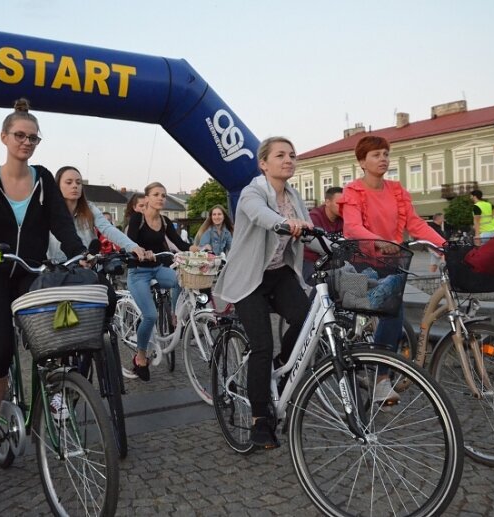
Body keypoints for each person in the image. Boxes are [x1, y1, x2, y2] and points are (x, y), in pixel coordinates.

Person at [0, 98, 86, 457]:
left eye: (33, 138)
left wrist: (79, 253)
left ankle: (55, 395)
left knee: (53, 340)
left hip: (32, 271)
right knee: (0, 347)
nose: (26, 143)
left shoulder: (43, 178)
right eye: (20, 136)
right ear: (4, 137)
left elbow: (61, 223)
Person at [214, 136, 323, 449]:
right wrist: (286, 224)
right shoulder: (252, 192)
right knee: (261, 343)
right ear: (264, 163)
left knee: (306, 323)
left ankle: (280, 365)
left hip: (278, 275)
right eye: (280, 155)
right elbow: (263, 217)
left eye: (292, 155)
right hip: (249, 279)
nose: (288, 159)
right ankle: (260, 419)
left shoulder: (293, 194)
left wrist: (336, 245)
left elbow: (308, 234)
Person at [339, 135, 446, 403]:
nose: (383, 159)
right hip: (360, 263)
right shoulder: (353, 190)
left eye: (386, 154)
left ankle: (380, 378)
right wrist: (380, 241)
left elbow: (416, 224)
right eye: (376, 155)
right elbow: (352, 227)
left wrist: (446, 245)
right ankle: (359, 372)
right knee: (365, 317)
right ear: (362, 161)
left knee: (393, 317)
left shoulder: (396, 190)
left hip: (390, 261)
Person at [48, 165, 148, 314]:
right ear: (58, 186)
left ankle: (102, 331)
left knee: (109, 298)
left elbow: (107, 229)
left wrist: (132, 246)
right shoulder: (49, 210)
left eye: (78, 182)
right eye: (68, 182)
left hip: (86, 268)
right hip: (56, 269)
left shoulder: (89, 208)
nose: (75, 186)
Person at [126, 182, 199, 381]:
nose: (161, 198)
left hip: (158, 268)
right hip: (138, 273)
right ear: (147, 198)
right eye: (156, 194)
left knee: (181, 280)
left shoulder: (165, 221)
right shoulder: (137, 219)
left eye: (164, 195)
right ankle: (140, 357)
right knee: (149, 316)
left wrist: (196, 249)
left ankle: (175, 315)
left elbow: (180, 243)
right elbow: (130, 243)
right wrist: (140, 251)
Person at [302, 187, 343, 282]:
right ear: (327, 202)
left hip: (334, 260)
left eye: (345, 203)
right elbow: (316, 243)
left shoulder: (344, 217)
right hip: (312, 261)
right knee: (319, 283)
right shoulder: (314, 217)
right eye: (339, 203)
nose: (343, 206)